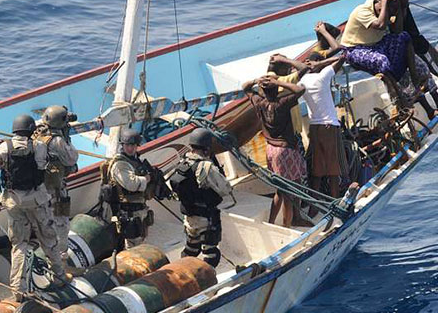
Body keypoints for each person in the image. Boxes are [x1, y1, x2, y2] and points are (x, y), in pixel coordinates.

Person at [0, 114, 67, 299]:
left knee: (19, 244)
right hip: (37, 200)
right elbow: (42, 164)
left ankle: (17, 290)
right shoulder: (39, 146)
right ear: (30, 130)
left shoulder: (4, 148)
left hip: (14, 202)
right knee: (48, 238)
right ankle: (59, 277)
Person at [242, 74, 307, 227]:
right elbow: (299, 90)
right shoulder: (282, 103)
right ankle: (287, 226)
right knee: (290, 193)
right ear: (277, 89)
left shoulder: (260, 102)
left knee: (281, 189)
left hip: (271, 149)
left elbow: (245, 87)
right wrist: (278, 81)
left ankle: (272, 222)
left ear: (262, 91)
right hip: (286, 151)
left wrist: (255, 80)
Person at [340, 0, 421, 107]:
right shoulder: (362, 11)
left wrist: (398, 10)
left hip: (375, 45)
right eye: (388, 13)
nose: (389, 17)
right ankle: (400, 99)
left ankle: (414, 78)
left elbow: (398, 31)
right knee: (381, 60)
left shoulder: (385, 11)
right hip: (354, 49)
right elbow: (380, 25)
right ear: (381, 7)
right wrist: (384, 3)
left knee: (404, 36)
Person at [168, 128, 233, 268]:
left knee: (191, 249)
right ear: (207, 148)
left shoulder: (183, 163)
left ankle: (181, 270)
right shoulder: (206, 166)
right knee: (211, 255)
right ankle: (206, 280)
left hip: (190, 219)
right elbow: (225, 189)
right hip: (206, 219)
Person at [100, 128, 157, 248]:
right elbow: (132, 184)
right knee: (133, 247)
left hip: (139, 209)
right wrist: (146, 179)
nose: (130, 148)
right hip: (128, 212)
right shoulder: (120, 164)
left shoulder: (136, 161)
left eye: (133, 145)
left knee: (140, 240)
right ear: (123, 145)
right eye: (127, 145)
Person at [300, 53, 347, 198]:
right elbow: (343, 56)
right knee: (333, 168)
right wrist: (322, 63)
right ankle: (335, 199)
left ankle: (314, 204)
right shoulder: (323, 76)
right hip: (329, 126)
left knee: (317, 168)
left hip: (314, 127)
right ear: (318, 62)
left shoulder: (302, 80)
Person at [36, 105, 79, 261]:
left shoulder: (37, 132)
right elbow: (72, 158)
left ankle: (47, 253)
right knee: (62, 225)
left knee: (44, 224)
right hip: (55, 190)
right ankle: (61, 259)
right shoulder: (57, 141)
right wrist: (66, 138)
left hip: (39, 188)